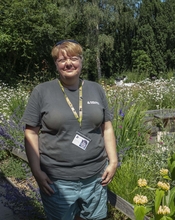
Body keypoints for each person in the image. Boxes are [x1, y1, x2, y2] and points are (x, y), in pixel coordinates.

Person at [21, 39, 118, 220]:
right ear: (56, 64)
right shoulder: (42, 91)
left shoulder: (96, 89)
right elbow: (31, 133)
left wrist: (113, 161)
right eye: (62, 60)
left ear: (81, 61)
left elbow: (107, 128)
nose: (68, 63)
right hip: (57, 181)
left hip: (96, 177)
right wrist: (36, 170)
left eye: (74, 58)